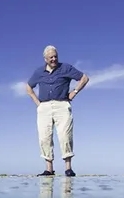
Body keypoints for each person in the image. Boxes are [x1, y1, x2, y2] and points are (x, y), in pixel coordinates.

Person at [26, 45, 89, 177]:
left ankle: (68, 168)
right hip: (44, 107)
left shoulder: (65, 68)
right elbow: (28, 87)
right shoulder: (38, 72)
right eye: (51, 57)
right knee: (44, 137)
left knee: (65, 135)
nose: (54, 59)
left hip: (62, 105)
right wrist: (38, 103)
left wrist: (74, 92)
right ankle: (49, 169)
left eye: (55, 56)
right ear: (45, 59)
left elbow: (84, 78)